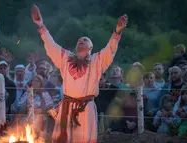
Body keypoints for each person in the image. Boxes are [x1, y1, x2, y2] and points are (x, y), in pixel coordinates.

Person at [31, 5, 128, 143]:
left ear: (91, 47)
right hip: (66, 107)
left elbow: (110, 50)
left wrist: (117, 31)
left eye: (85, 40)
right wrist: (41, 25)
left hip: (85, 109)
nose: (81, 40)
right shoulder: (65, 58)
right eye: (79, 40)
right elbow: (51, 45)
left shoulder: (96, 61)